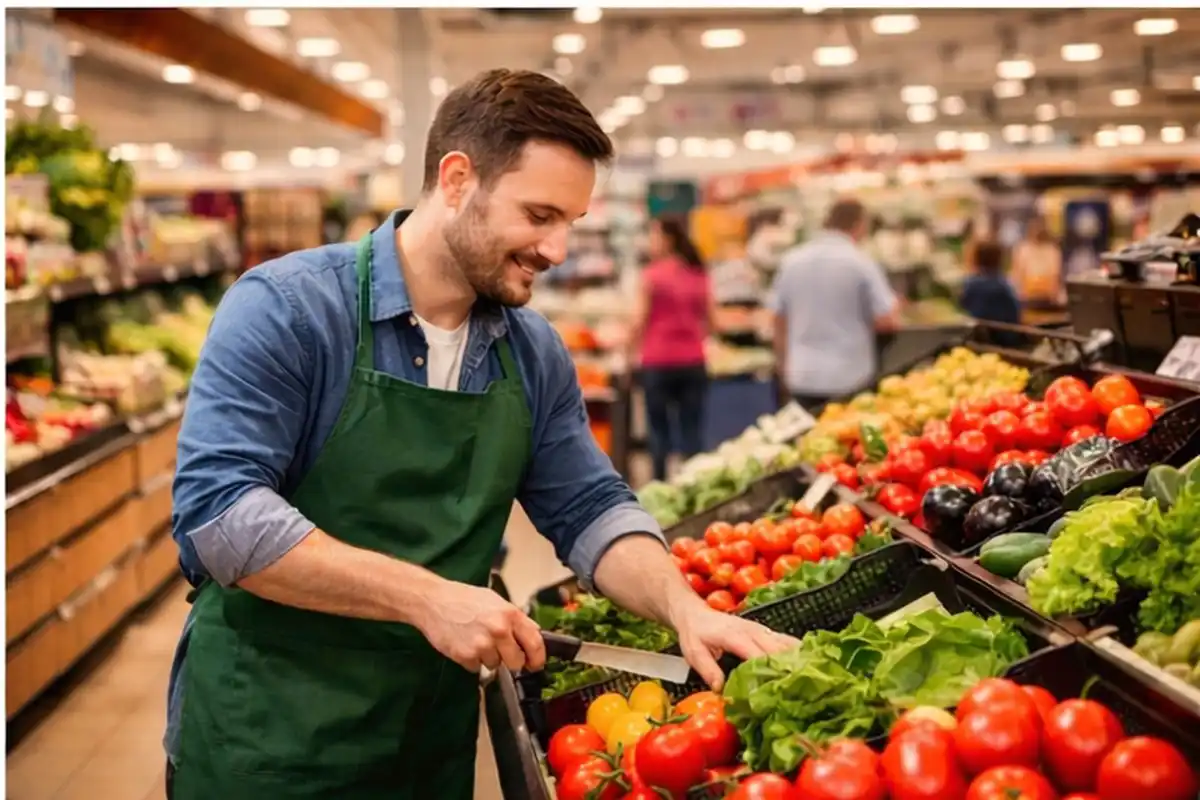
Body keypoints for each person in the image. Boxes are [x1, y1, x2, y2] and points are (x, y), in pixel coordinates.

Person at [162, 68, 794, 800]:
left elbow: (589, 506)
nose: (557, 249)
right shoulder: (289, 310)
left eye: (571, 224)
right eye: (539, 215)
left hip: (425, 737)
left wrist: (685, 609)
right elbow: (220, 514)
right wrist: (428, 597)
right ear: (457, 179)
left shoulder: (531, 352)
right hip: (268, 732)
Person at [769, 197, 900, 411]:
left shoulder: (791, 261)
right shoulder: (860, 262)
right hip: (849, 377)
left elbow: (778, 320)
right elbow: (886, 321)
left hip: (802, 375)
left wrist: (783, 365)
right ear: (859, 224)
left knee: (807, 440)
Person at [628, 215, 715, 481]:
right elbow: (712, 320)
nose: (650, 242)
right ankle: (693, 484)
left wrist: (628, 351)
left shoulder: (652, 276)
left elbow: (638, 320)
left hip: (658, 361)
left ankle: (659, 484)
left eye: (654, 236)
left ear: (668, 239)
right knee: (692, 429)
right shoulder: (698, 274)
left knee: (659, 429)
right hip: (693, 361)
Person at [1010, 216, 1065, 309]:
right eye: (1034, 228)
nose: (1036, 231)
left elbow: (1055, 277)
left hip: (1047, 298)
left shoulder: (1052, 250)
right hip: (1026, 297)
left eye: (1039, 228)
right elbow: (1017, 275)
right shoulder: (1022, 249)